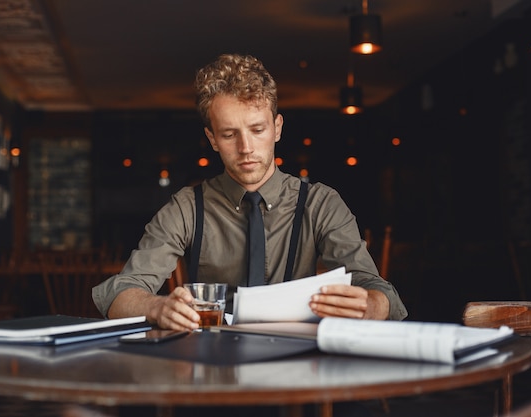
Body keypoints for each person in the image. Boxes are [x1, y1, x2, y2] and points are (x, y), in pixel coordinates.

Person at [92, 53, 407, 331]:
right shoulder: (188, 207)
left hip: (296, 364)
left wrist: (370, 305)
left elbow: (378, 291)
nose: (246, 148)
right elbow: (120, 293)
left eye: (257, 130)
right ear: (213, 139)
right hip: (210, 364)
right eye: (229, 134)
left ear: (277, 128)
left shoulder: (321, 203)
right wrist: (156, 307)